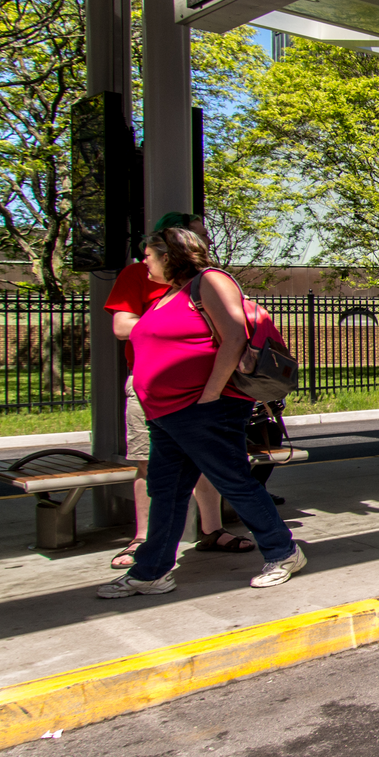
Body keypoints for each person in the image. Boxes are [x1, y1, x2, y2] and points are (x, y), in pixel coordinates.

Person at [98, 227, 306, 597]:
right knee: (166, 491)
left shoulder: (209, 281)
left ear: (169, 255)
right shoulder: (168, 295)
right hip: (167, 414)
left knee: (233, 482)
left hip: (204, 408)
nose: (144, 262)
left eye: (149, 255)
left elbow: (235, 337)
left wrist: (209, 395)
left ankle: (284, 552)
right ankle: (151, 572)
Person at [103, 213, 254, 569]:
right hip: (151, 385)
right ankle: (144, 539)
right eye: (198, 235)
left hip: (199, 387)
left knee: (207, 461)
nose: (206, 242)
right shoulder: (137, 275)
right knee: (149, 462)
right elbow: (121, 326)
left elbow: (232, 332)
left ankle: (211, 529)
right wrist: (169, 324)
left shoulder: (207, 281)